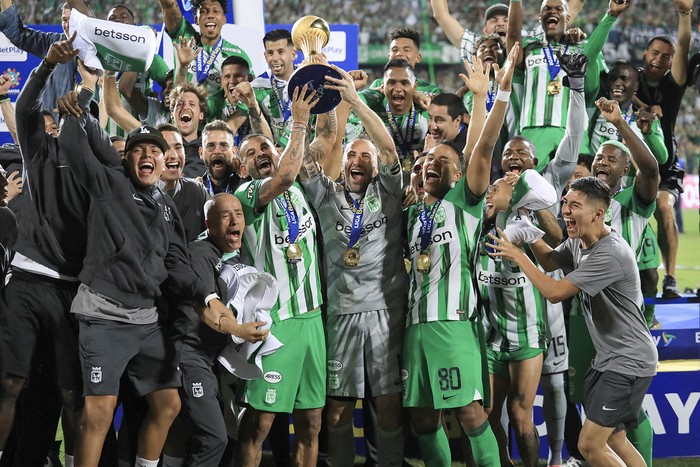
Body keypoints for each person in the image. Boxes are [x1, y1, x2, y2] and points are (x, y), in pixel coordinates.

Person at [401, 45, 519, 466]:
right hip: (415, 329)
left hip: (453, 327)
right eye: (428, 158)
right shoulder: (414, 213)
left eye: (443, 160)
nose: (432, 163)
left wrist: (490, 96)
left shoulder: (465, 202)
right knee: (424, 419)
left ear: (458, 173)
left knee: (470, 414)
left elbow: (483, 149)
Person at [487, 176, 658, 467]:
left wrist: (517, 254)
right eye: (565, 202)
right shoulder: (581, 241)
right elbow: (552, 261)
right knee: (614, 440)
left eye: (574, 205)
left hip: (628, 361)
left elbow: (554, 292)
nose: (565, 210)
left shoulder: (610, 253)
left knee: (589, 445)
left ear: (598, 213)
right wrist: (531, 236)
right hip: (608, 359)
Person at [300, 65, 407, 467]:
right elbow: (310, 158)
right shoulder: (325, 195)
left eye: (366, 155)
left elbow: (390, 149)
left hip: (385, 315)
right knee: (338, 412)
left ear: (376, 166)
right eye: (352, 154)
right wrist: (307, 118)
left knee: (388, 407)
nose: (358, 159)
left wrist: (356, 101)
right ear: (343, 162)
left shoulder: (390, 192)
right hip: (341, 316)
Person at [233, 85, 329, 467]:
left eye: (265, 150)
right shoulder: (247, 194)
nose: (260, 156)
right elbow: (284, 175)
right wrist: (300, 122)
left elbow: (287, 162)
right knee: (260, 422)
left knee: (312, 422)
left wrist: (256, 109)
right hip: (276, 324)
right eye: (250, 154)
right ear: (242, 167)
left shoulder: (300, 187)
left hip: (313, 320)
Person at [165, 193, 268, 467]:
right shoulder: (200, 254)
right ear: (209, 224)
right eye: (225, 216)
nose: (234, 220)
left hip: (208, 359)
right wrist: (239, 330)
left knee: (209, 436)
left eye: (238, 213)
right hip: (189, 356)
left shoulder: (229, 254)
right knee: (213, 439)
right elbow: (206, 307)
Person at [506, 0, 628, 172]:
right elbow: (512, 36)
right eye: (547, 9)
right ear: (540, 17)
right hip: (533, 129)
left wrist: (611, 15)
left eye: (558, 9)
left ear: (568, 17)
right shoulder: (529, 47)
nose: (552, 12)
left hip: (573, 129)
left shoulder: (579, 45)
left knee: (583, 183)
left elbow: (590, 56)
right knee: (524, 185)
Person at [634, 0, 693, 298]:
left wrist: (685, 14)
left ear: (672, 63)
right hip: (628, 164)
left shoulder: (674, 85)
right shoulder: (627, 80)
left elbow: (683, 46)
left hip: (664, 165)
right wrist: (642, 106)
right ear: (645, 54)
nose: (659, 58)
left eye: (666, 56)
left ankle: (670, 278)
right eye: (655, 52)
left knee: (664, 207)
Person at [158, 0, 253, 96]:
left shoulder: (237, 55)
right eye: (204, 11)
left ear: (224, 19)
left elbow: (251, 91)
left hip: (218, 111)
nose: (210, 15)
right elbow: (168, 5)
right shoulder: (184, 36)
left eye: (215, 11)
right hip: (183, 108)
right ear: (196, 19)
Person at [360, 59, 429, 171]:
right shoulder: (372, 110)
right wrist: (378, 91)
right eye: (391, 82)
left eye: (404, 83)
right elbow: (352, 101)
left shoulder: (426, 109)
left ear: (414, 86)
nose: (397, 89)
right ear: (383, 85)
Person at [157, 123, 209, 243]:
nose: (173, 155)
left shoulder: (197, 191)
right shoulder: (140, 197)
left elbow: (212, 238)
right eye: (165, 148)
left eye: (178, 147)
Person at [252, 29, 299, 147]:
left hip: (309, 154)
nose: (275, 58)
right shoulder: (257, 86)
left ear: (292, 54)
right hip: (276, 155)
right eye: (270, 53)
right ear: (265, 55)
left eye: (281, 52)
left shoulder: (308, 78)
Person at [367, 28, 442, 94]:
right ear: (389, 57)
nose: (399, 53)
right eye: (395, 50)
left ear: (418, 57)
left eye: (406, 50)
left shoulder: (432, 91)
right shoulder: (377, 85)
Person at [169, 83, 208, 178]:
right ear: (172, 115)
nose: (185, 107)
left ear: (201, 115)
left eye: (192, 104)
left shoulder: (209, 147)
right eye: (180, 104)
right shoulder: (160, 145)